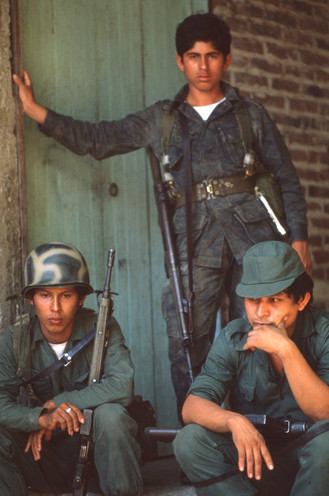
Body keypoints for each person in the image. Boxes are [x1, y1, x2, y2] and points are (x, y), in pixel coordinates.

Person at [13, 13, 312, 417]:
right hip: (194, 242)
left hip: (255, 242)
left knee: (261, 333)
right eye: (193, 56)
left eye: (211, 56)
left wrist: (298, 239)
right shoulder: (163, 119)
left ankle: (263, 430)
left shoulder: (250, 114)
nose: (202, 66)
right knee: (188, 341)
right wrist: (37, 113)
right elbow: (102, 138)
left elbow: (288, 180)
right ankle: (203, 434)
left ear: (226, 60)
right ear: (179, 61)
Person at [173, 240, 329, 496]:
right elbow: (192, 406)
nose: (260, 312)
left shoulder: (323, 333)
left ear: (301, 300)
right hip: (256, 461)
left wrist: (287, 350)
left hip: (314, 465)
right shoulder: (234, 336)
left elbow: (325, 412)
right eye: (252, 300)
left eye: (274, 300)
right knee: (190, 440)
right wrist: (234, 421)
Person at [0, 242, 142, 496]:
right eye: (45, 295)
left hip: (99, 458)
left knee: (112, 415)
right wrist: (40, 418)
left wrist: (60, 402)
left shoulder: (102, 328)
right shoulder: (15, 339)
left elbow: (123, 384)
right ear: (32, 299)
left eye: (65, 295)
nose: (55, 307)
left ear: (81, 299)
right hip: (44, 453)